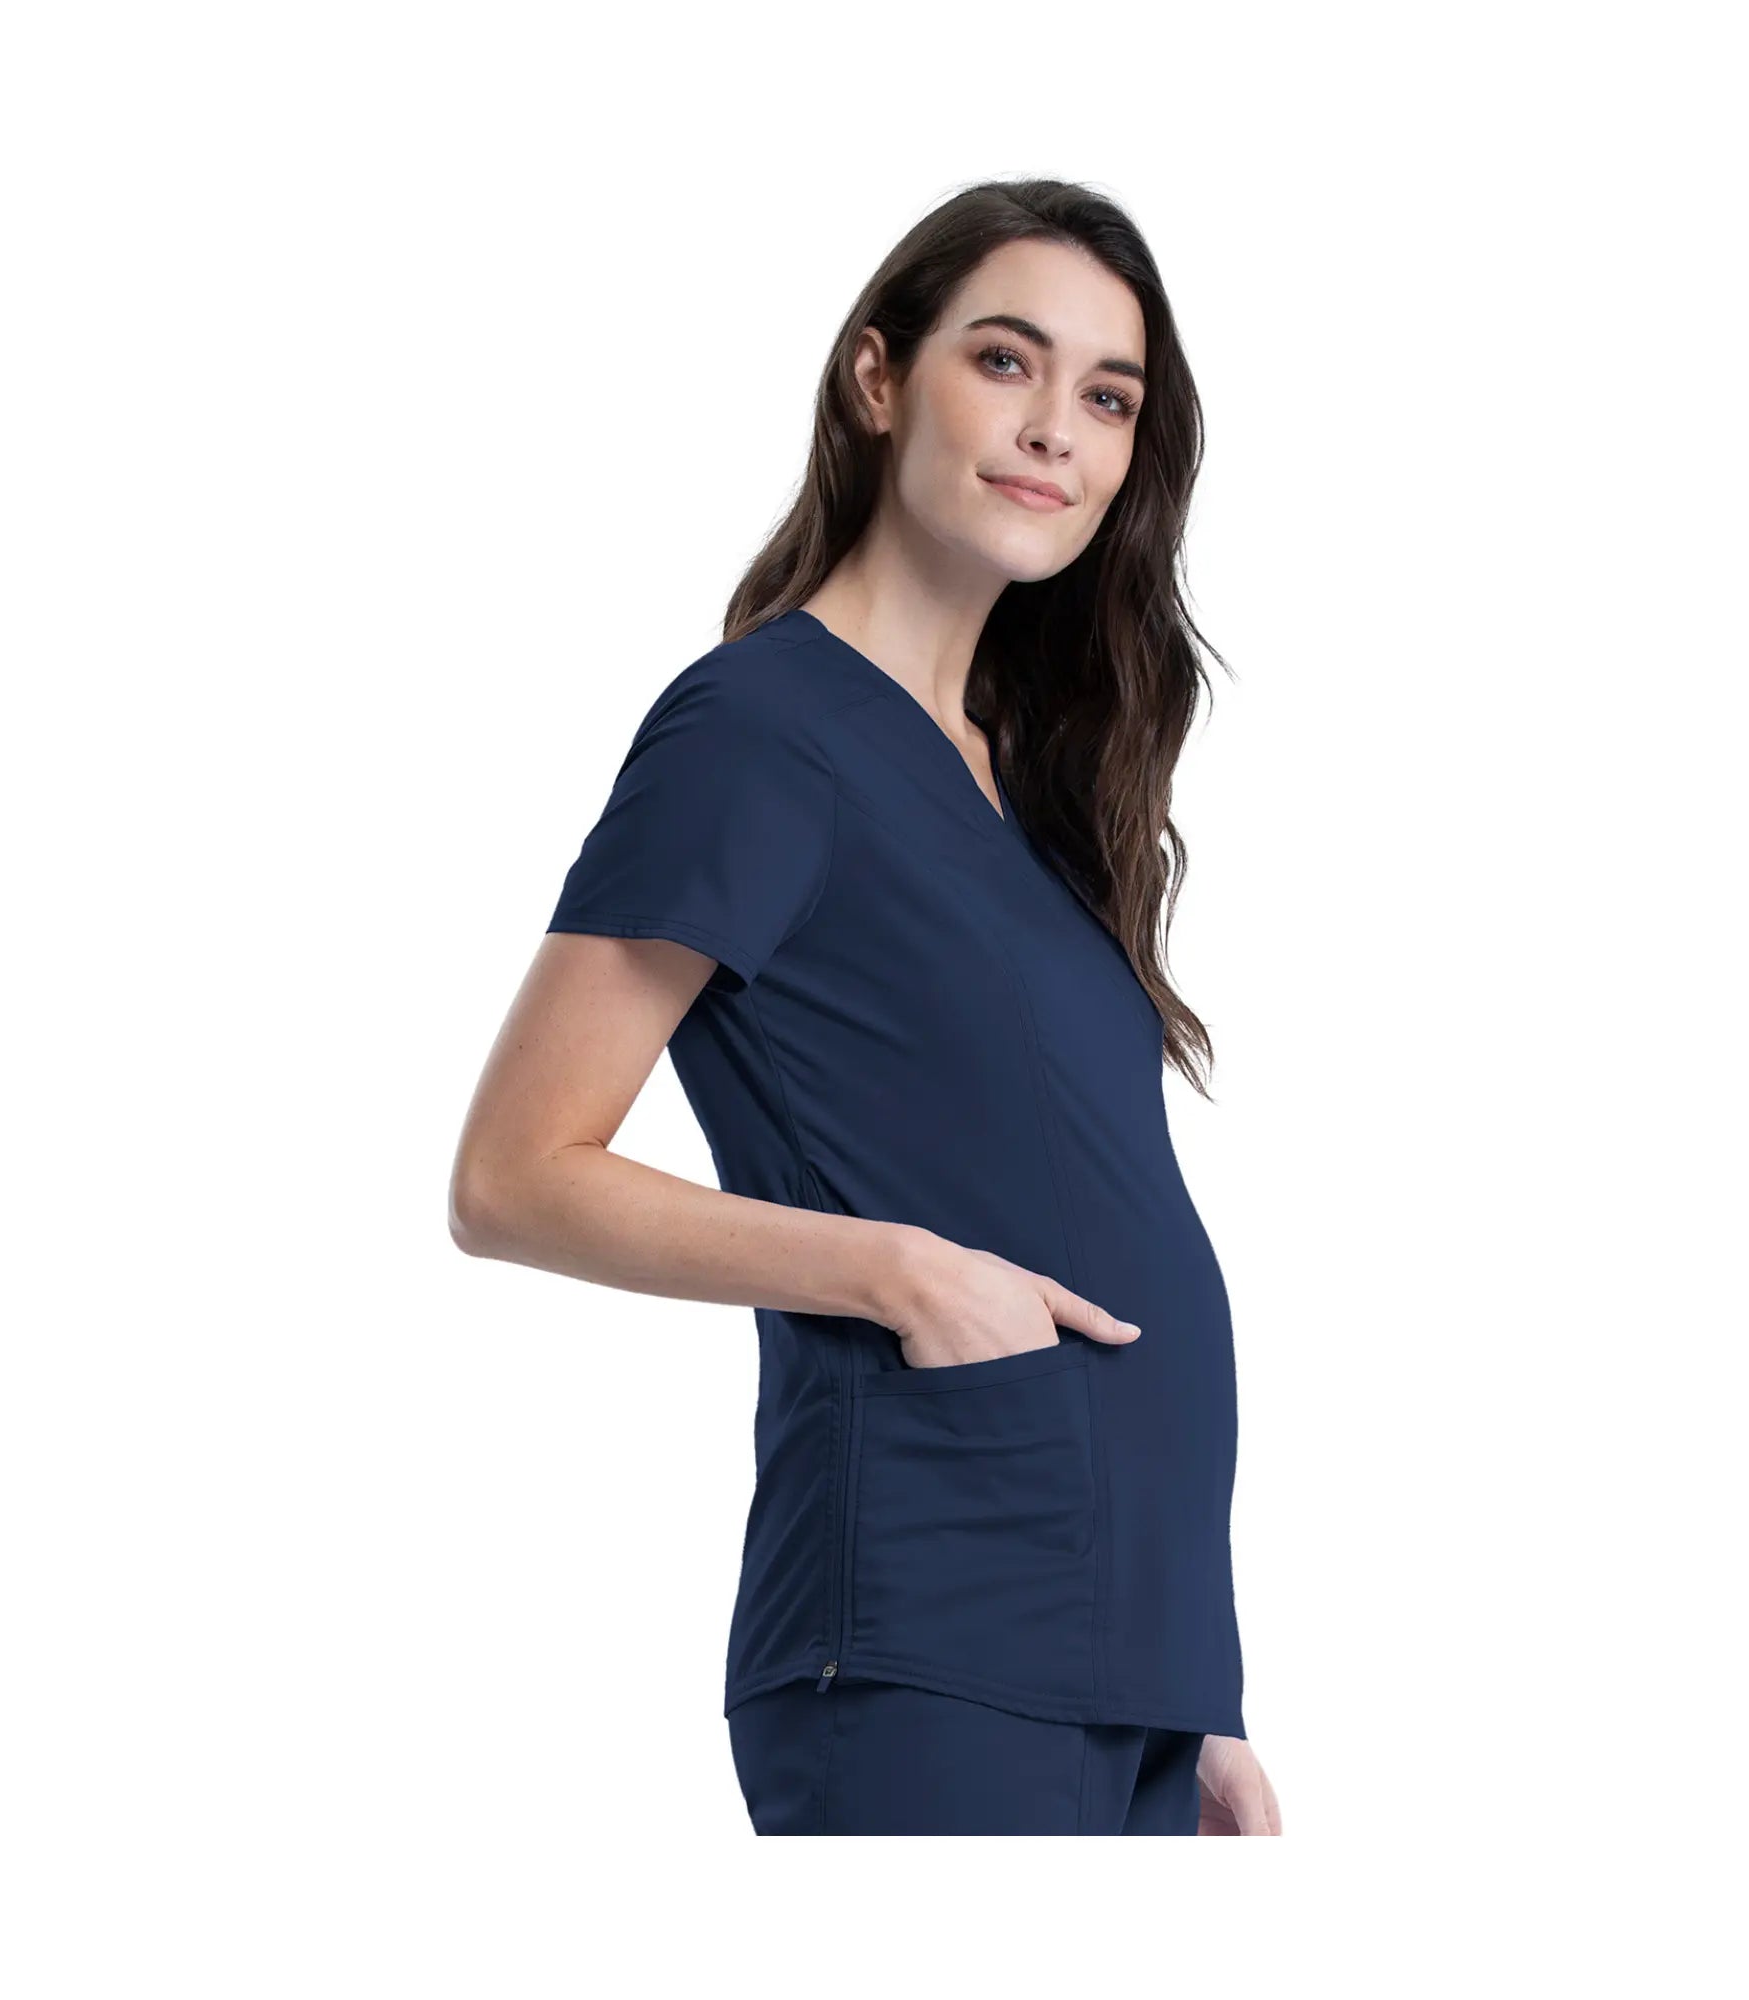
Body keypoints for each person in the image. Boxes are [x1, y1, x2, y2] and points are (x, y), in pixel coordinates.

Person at [449, 178, 1281, 1836]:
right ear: (880, 377)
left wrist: (1191, 1691)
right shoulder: (758, 732)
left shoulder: (1028, 785)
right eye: (1005, 361)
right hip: (935, 1631)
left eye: (1109, 398)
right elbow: (512, 1176)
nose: (1054, 430)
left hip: (1120, 1659)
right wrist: (894, 1271)